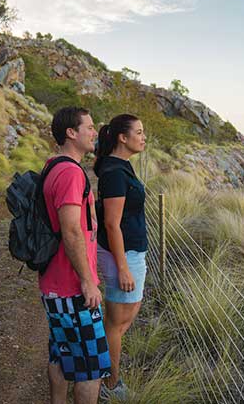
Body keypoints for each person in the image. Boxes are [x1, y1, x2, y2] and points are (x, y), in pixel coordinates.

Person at [40, 106, 110, 404]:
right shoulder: (70, 172)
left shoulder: (53, 164)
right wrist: (87, 281)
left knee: (60, 353)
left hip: (55, 286)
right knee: (90, 371)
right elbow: (71, 231)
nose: (94, 132)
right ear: (72, 132)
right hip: (72, 290)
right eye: (90, 127)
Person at [92, 114, 148, 399]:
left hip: (130, 252)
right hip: (123, 256)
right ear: (122, 138)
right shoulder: (114, 171)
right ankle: (110, 385)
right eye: (138, 132)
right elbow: (112, 224)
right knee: (117, 324)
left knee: (120, 321)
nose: (143, 137)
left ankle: (103, 375)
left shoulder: (119, 166)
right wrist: (123, 268)